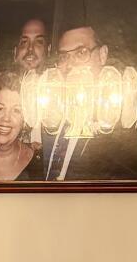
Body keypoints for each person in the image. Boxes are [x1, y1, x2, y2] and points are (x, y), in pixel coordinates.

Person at [41, 22, 119, 181]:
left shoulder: (116, 123)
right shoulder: (51, 114)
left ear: (103, 55)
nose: (70, 65)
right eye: (64, 56)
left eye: (81, 53)